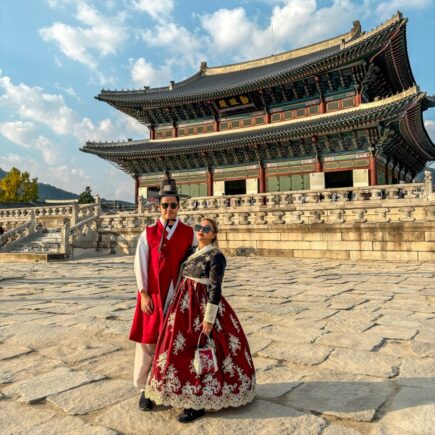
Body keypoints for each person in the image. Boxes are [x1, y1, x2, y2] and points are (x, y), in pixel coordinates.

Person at [145, 218, 256, 423]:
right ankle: (169, 389)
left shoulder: (216, 256)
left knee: (204, 349)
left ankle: (200, 401)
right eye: (199, 227)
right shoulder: (190, 252)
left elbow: (215, 288)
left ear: (214, 234)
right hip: (182, 307)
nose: (201, 231)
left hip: (203, 306)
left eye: (207, 229)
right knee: (177, 349)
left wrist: (210, 318)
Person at [129, 175, 196, 412]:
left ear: (179, 207)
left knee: (175, 341)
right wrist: (144, 293)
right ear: (159, 207)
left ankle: (169, 384)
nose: (169, 209)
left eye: (173, 205)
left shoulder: (189, 233)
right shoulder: (148, 233)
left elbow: (194, 264)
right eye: (165, 205)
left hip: (177, 296)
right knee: (147, 342)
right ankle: (144, 389)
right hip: (154, 296)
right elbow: (140, 263)